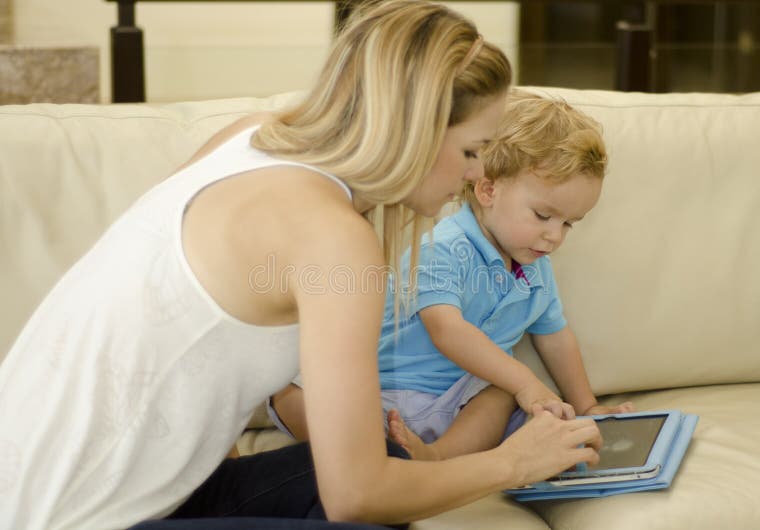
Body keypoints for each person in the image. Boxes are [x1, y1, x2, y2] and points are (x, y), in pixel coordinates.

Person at [0, 3, 601, 530]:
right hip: (68, 515)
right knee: (378, 502)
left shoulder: (252, 138)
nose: (476, 177)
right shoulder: (335, 240)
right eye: (472, 151)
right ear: (414, 130)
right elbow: (356, 496)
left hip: (94, 491)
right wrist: (516, 461)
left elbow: (183, 354)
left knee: (392, 469)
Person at [271, 91, 630, 463]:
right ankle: (369, 455)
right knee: (290, 391)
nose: (554, 236)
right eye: (542, 216)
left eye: (569, 223)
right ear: (487, 189)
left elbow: (555, 336)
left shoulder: (538, 270)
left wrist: (586, 405)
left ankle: (435, 458)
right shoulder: (442, 245)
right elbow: (446, 329)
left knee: (499, 394)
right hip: (374, 393)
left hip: (455, 407)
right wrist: (527, 383)